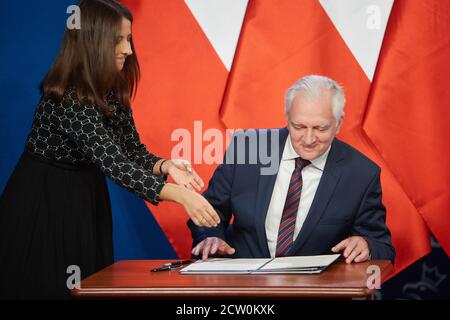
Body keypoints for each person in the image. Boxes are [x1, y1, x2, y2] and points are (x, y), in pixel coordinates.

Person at [0, 0, 219, 299]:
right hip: (45, 205)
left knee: (88, 285)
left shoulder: (111, 89)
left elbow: (130, 151)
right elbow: (115, 164)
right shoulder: (71, 95)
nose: (128, 49)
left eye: (128, 39)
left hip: (84, 201)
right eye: (119, 40)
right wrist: (181, 196)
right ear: (93, 42)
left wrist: (166, 166)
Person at [189, 75, 395, 264]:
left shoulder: (361, 174)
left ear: (339, 123)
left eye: (320, 128)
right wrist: (211, 237)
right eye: (299, 127)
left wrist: (367, 245)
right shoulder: (248, 148)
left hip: (314, 290)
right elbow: (210, 210)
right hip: (245, 287)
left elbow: (382, 246)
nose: (308, 139)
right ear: (287, 118)